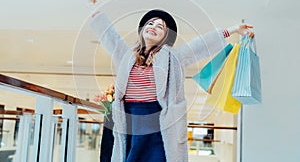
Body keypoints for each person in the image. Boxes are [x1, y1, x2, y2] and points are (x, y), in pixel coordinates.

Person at [90, 9, 253, 162]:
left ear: (165, 37)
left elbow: (199, 46)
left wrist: (233, 30)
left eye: (160, 27)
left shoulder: (172, 57)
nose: (153, 27)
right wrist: (95, 11)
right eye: (150, 23)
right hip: (130, 120)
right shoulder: (126, 56)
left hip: (157, 122)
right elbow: (111, 38)